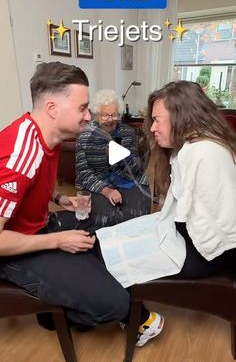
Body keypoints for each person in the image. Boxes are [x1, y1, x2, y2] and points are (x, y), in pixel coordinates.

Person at [0, 62, 162, 348]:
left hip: (38, 228)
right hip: (13, 250)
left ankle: (62, 303)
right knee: (114, 303)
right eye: (82, 108)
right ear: (52, 108)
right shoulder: (18, 155)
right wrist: (58, 241)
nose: (89, 116)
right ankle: (75, 307)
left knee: (108, 229)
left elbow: (36, 182)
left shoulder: (44, 138)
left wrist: (61, 199)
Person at [95, 81, 236, 339]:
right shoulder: (190, 148)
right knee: (108, 236)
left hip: (204, 253)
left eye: (158, 120)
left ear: (182, 116)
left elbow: (219, 226)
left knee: (109, 253)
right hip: (186, 236)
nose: (152, 128)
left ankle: (141, 322)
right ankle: (138, 316)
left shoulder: (204, 153)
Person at [74, 89, 151, 232]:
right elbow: (83, 173)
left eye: (114, 114)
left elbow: (137, 169)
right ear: (97, 115)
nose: (110, 119)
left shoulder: (127, 133)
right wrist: (106, 190)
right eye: (105, 115)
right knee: (105, 219)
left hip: (127, 180)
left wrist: (124, 158)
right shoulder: (85, 137)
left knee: (137, 217)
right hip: (97, 182)